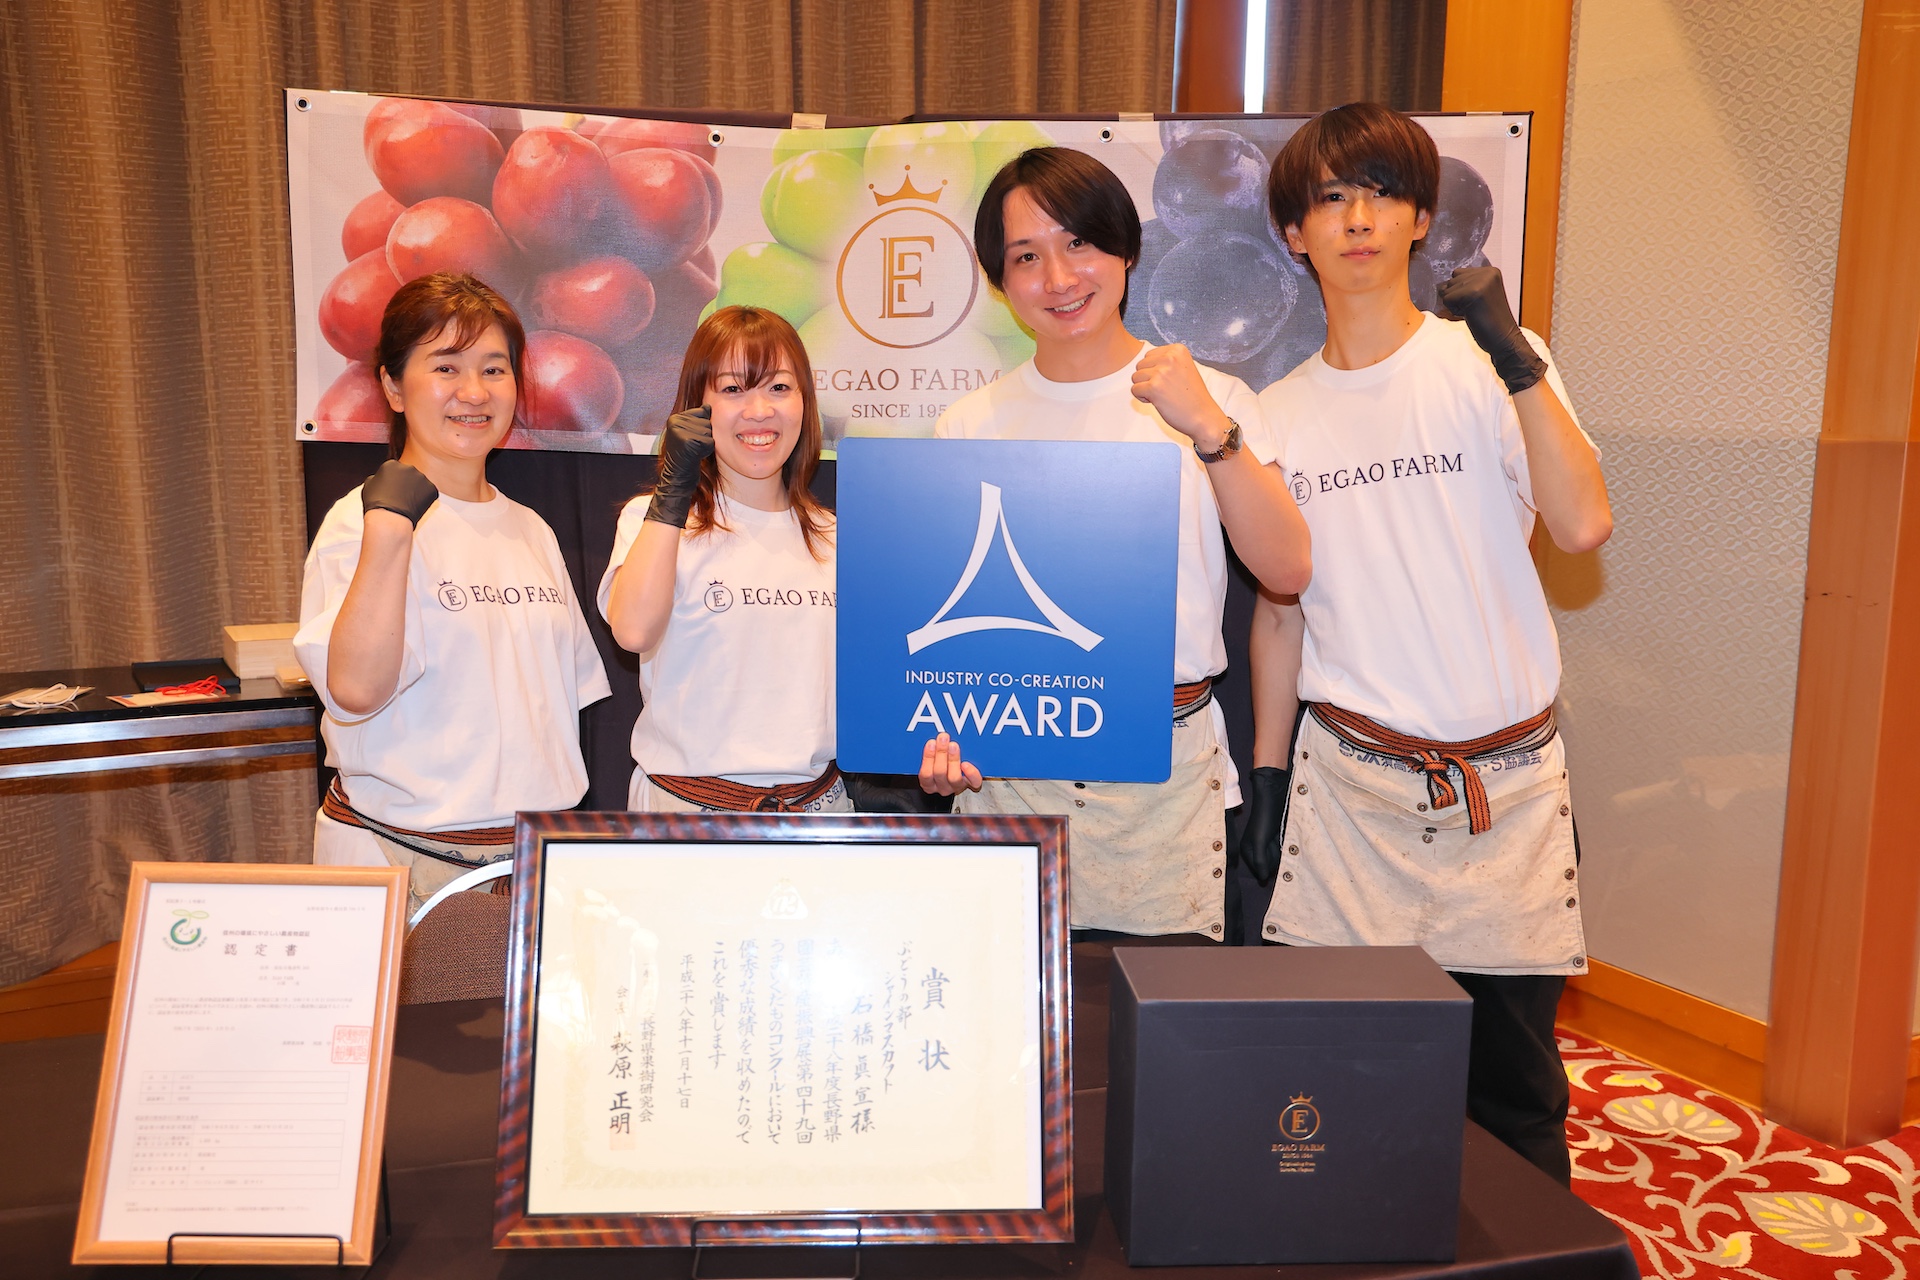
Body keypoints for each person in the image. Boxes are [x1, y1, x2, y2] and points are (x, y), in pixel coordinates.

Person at [1243, 102, 1612, 1184]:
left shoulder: (1491, 360)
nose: (1358, 218)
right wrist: (1267, 772)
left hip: (1504, 785)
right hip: (1352, 787)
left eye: (1382, 192)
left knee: (1514, 1093)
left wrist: (1516, 359)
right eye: (1329, 198)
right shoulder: (1277, 412)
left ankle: (1532, 1254)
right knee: (1341, 1084)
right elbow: (1282, 609)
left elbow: (1583, 525)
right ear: (1294, 234)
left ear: (1419, 217)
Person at [919, 147, 1312, 941]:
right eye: (1026, 257)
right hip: (1010, 779)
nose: (1060, 278)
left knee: (1157, 1014)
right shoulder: (969, 424)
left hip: (1162, 778)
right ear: (999, 282)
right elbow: (946, 629)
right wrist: (939, 739)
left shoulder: (1214, 399)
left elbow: (1287, 570)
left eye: (1079, 243)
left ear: (1127, 250)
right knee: (1012, 1008)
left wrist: (1209, 430)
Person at [295, 272, 611, 912]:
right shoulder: (358, 523)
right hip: (396, 858)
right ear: (392, 386)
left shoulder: (531, 529)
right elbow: (354, 691)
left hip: (527, 867)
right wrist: (390, 533)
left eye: (494, 370)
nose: (474, 392)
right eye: (446, 367)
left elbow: (559, 710)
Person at [598, 306, 844, 813]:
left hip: (817, 812)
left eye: (779, 387)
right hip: (686, 815)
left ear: (805, 401)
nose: (759, 410)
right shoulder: (653, 519)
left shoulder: (836, 536)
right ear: (698, 406)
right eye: (733, 389)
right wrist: (673, 491)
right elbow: (634, 633)